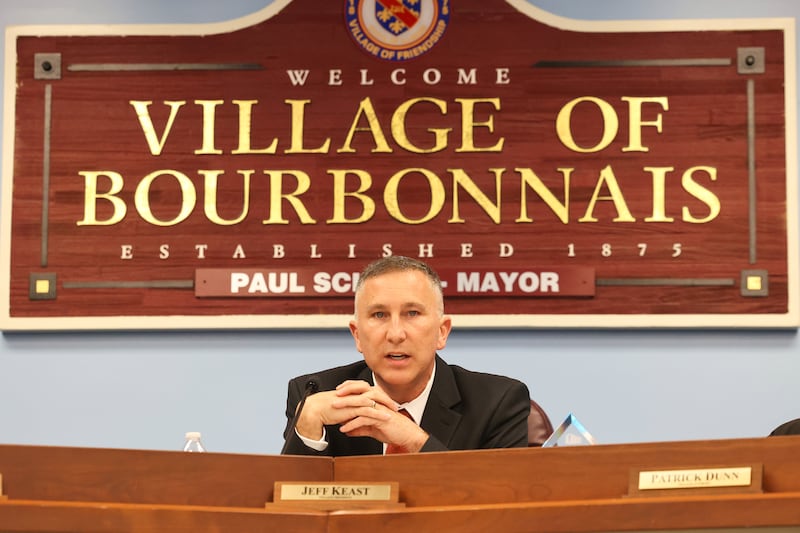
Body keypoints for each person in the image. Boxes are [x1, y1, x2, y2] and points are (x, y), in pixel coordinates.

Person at [281, 256, 531, 456]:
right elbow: (290, 512)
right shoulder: (317, 395)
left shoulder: (497, 403)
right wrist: (308, 424)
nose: (396, 334)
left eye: (412, 313)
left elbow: (500, 505)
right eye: (379, 315)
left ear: (442, 332)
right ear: (357, 336)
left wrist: (414, 440)